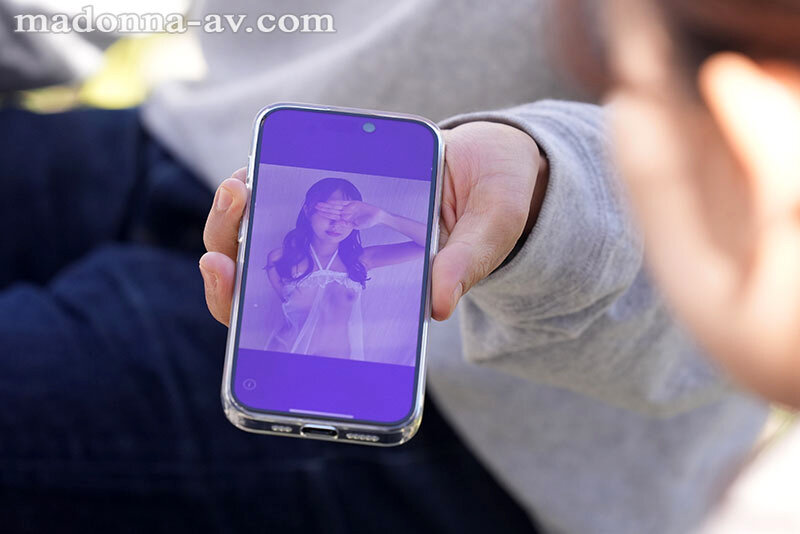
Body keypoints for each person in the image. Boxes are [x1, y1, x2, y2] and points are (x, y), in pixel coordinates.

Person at [0, 1, 771, 533]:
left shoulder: (372, 252)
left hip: (477, 412)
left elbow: (753, 208)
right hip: (199, 140)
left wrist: (546, 189)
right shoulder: (296, 246)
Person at [263, 177, 425, 359]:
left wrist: (381, 216)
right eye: (330, 212)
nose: (337, 224)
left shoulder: (361, 261)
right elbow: (291, 314)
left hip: (337, 363)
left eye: (345, 215)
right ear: (308, 210)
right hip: (285, 353)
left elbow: (430, 245)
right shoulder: (280, 259)